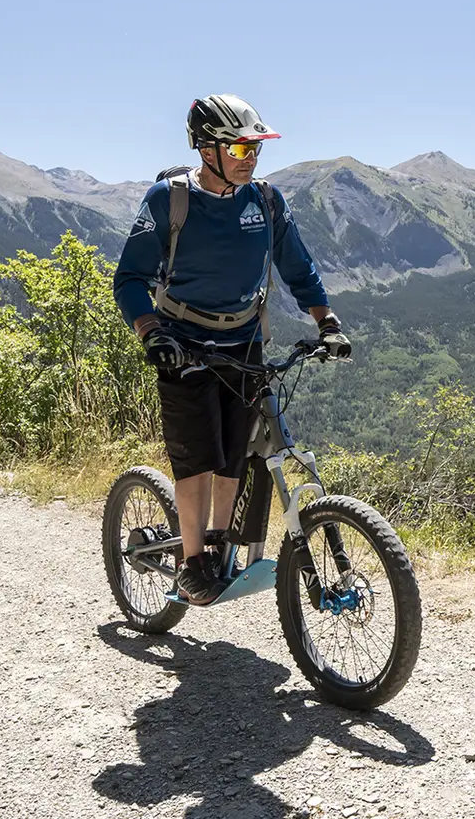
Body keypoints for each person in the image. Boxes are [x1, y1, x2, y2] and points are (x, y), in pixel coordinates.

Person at [113, 94, 351, 606]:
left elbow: (298, 266)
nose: (250, 157)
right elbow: (129, 279)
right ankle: (193, 563)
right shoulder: (168, 200)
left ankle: (221, 543)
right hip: (183, 342)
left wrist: (326, 320)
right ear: (206, 148)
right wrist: (152, 333)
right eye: (240, 147)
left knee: (234, 457)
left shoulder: (265, 201)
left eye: (255, 147)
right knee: (196, 458)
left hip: (245, 341)